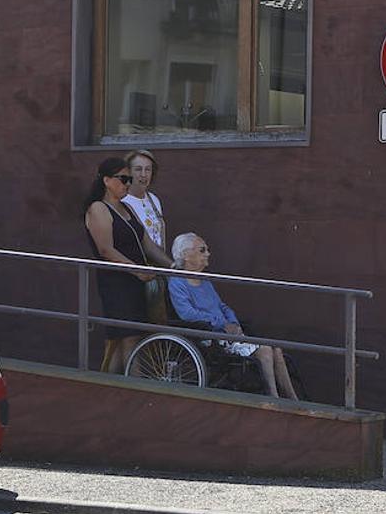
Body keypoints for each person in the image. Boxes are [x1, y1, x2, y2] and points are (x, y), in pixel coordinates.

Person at [167, 232, 299, 400]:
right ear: (186, 255)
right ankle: (274, 398)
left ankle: (294, 399)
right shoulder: (177, 282)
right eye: (202, 250)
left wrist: (233, 322)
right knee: (265, 351)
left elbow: (222, 306)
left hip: (226, 331)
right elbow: (187, 314)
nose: (208, 253)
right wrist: (221, 324)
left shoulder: (204, 280)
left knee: (277, 350)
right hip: (208, 335)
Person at [83, 157, 172, 373]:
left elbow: (147, 245)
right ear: (106, 180)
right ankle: (131, 386)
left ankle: (113, 385)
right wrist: (136, 269)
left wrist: (173, 266)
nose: (128, 184)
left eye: (129, 179)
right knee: (125, 338)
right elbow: (106, 249)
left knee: (129, 338)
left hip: (136, 282)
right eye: (123, 179)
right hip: (116, 282)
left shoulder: (127, 209)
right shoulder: (98, 209)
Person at [121, 149, 167, 324]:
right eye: (138, 169)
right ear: (129, 172)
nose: (143, 174)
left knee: (159, 320)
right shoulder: (123, 202)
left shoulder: (154, 199)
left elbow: (160, 232)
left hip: (158, 270)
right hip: (137, 271)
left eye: (148, 170)